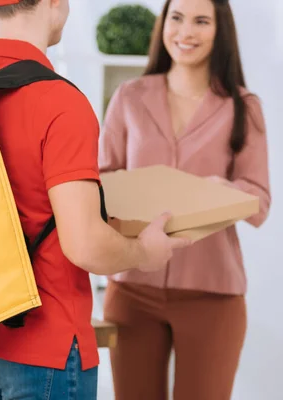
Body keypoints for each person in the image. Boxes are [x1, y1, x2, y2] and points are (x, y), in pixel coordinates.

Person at [0, 1, 192, 399]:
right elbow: (85, 246)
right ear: (54, 4)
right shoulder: (59, 103)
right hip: (45, 347)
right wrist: (144, 252)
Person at [99, 0, 272, 399]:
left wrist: (218, 191)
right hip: (132, 289)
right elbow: (102, 181)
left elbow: (260, 202)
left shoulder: (243, 107)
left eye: (201, 21)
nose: (185, 32)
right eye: (176, 18)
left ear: (219, 30)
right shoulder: (129, 96)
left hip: (212, 294)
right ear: (163, 24)